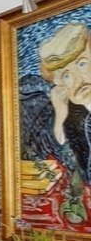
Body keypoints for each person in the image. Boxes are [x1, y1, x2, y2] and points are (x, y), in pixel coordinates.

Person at [38, 22, 91, 182]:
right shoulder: (75, 120)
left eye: (82, 64)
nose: (78, 80)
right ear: (60, 86)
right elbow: (64, 169)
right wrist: (60, 115)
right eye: (66, 76)